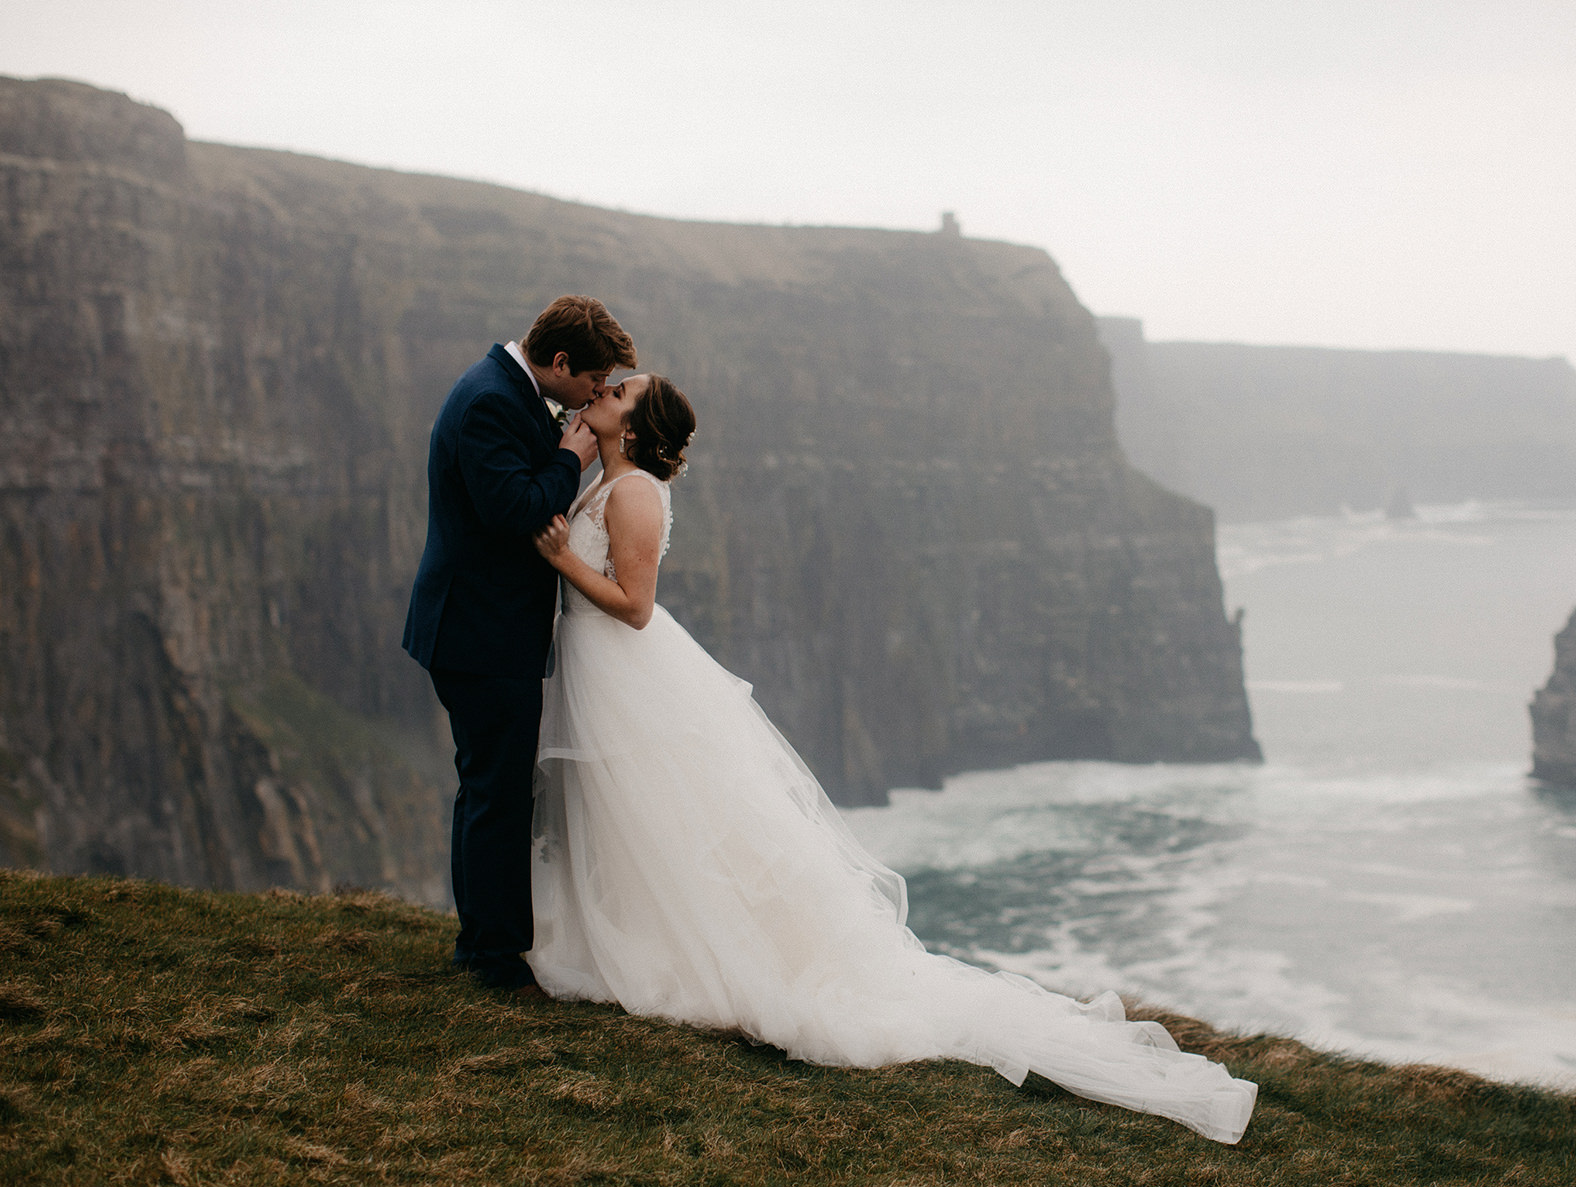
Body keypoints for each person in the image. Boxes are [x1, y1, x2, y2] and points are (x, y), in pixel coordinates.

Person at [525, 374, 1258, 1144]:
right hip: (599, 668)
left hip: (624, 667)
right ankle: (626, 940)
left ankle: (677, 956)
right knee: (631, 817)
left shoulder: (635, 492)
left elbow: (635, 607)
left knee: (653, 813)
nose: (604, 390)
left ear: (634, 430)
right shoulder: (606, 478)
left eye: (621, 390)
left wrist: (561, 561)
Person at [402, 296, 638, 995]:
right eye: (593, 379)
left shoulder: (508, 389)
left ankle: (482, 945)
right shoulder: (488, 402)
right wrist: (569, 453)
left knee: (486, 788)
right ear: (560, 361)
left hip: (483, 629)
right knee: (497, 794)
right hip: (478, 632)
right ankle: (496, 963)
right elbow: (519, 512)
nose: (597, 394)